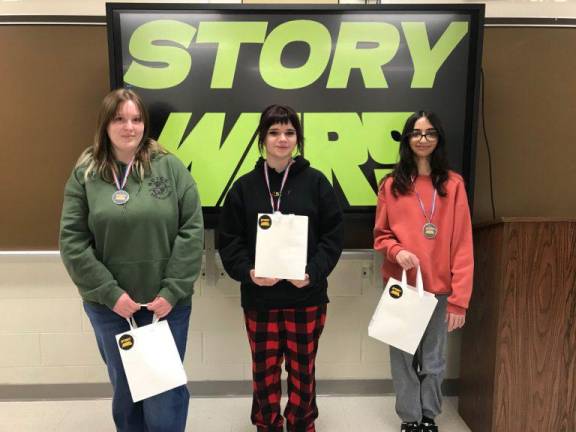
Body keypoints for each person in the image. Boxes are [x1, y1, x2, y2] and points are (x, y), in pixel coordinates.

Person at [59, 88, 204, 432]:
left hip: (165, 305)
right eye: (120, 119)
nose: (129, 127)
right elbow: (73, 241)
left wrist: (172, 291)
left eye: (136, 119)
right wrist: (111, 294)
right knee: (127, 390)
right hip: (110, 308)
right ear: (105, 124)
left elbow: (192, 229)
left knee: (163, 391)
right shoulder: (86, 173)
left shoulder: (170, 168)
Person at [218, 104, 343, 432]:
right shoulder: (244, 188)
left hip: (307, 297)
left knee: (304, 371)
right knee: (264, 371)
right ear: (262, 138)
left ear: (298, 139)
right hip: (261, 299)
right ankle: (267, 425)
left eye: (289, 132)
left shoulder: (317, 184)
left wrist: (313, 272)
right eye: (274, 132)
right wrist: (248, 272)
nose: (282, 139)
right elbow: (229, 240)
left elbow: (333, 236)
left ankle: (302, 425)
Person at [373, 111, 473, 432]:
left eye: (430, 133)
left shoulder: (454, 185)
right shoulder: (391, 185)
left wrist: (459, 300)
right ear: (407, 140)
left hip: (440, 290)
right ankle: (410, 418)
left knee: (434, 360)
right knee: (402, 358)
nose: (423, 139)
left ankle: (429, 415)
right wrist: (396, 250)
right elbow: (381, 235)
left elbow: (462, 245)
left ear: (438, 139)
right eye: (416, 133)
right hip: (402, 287)